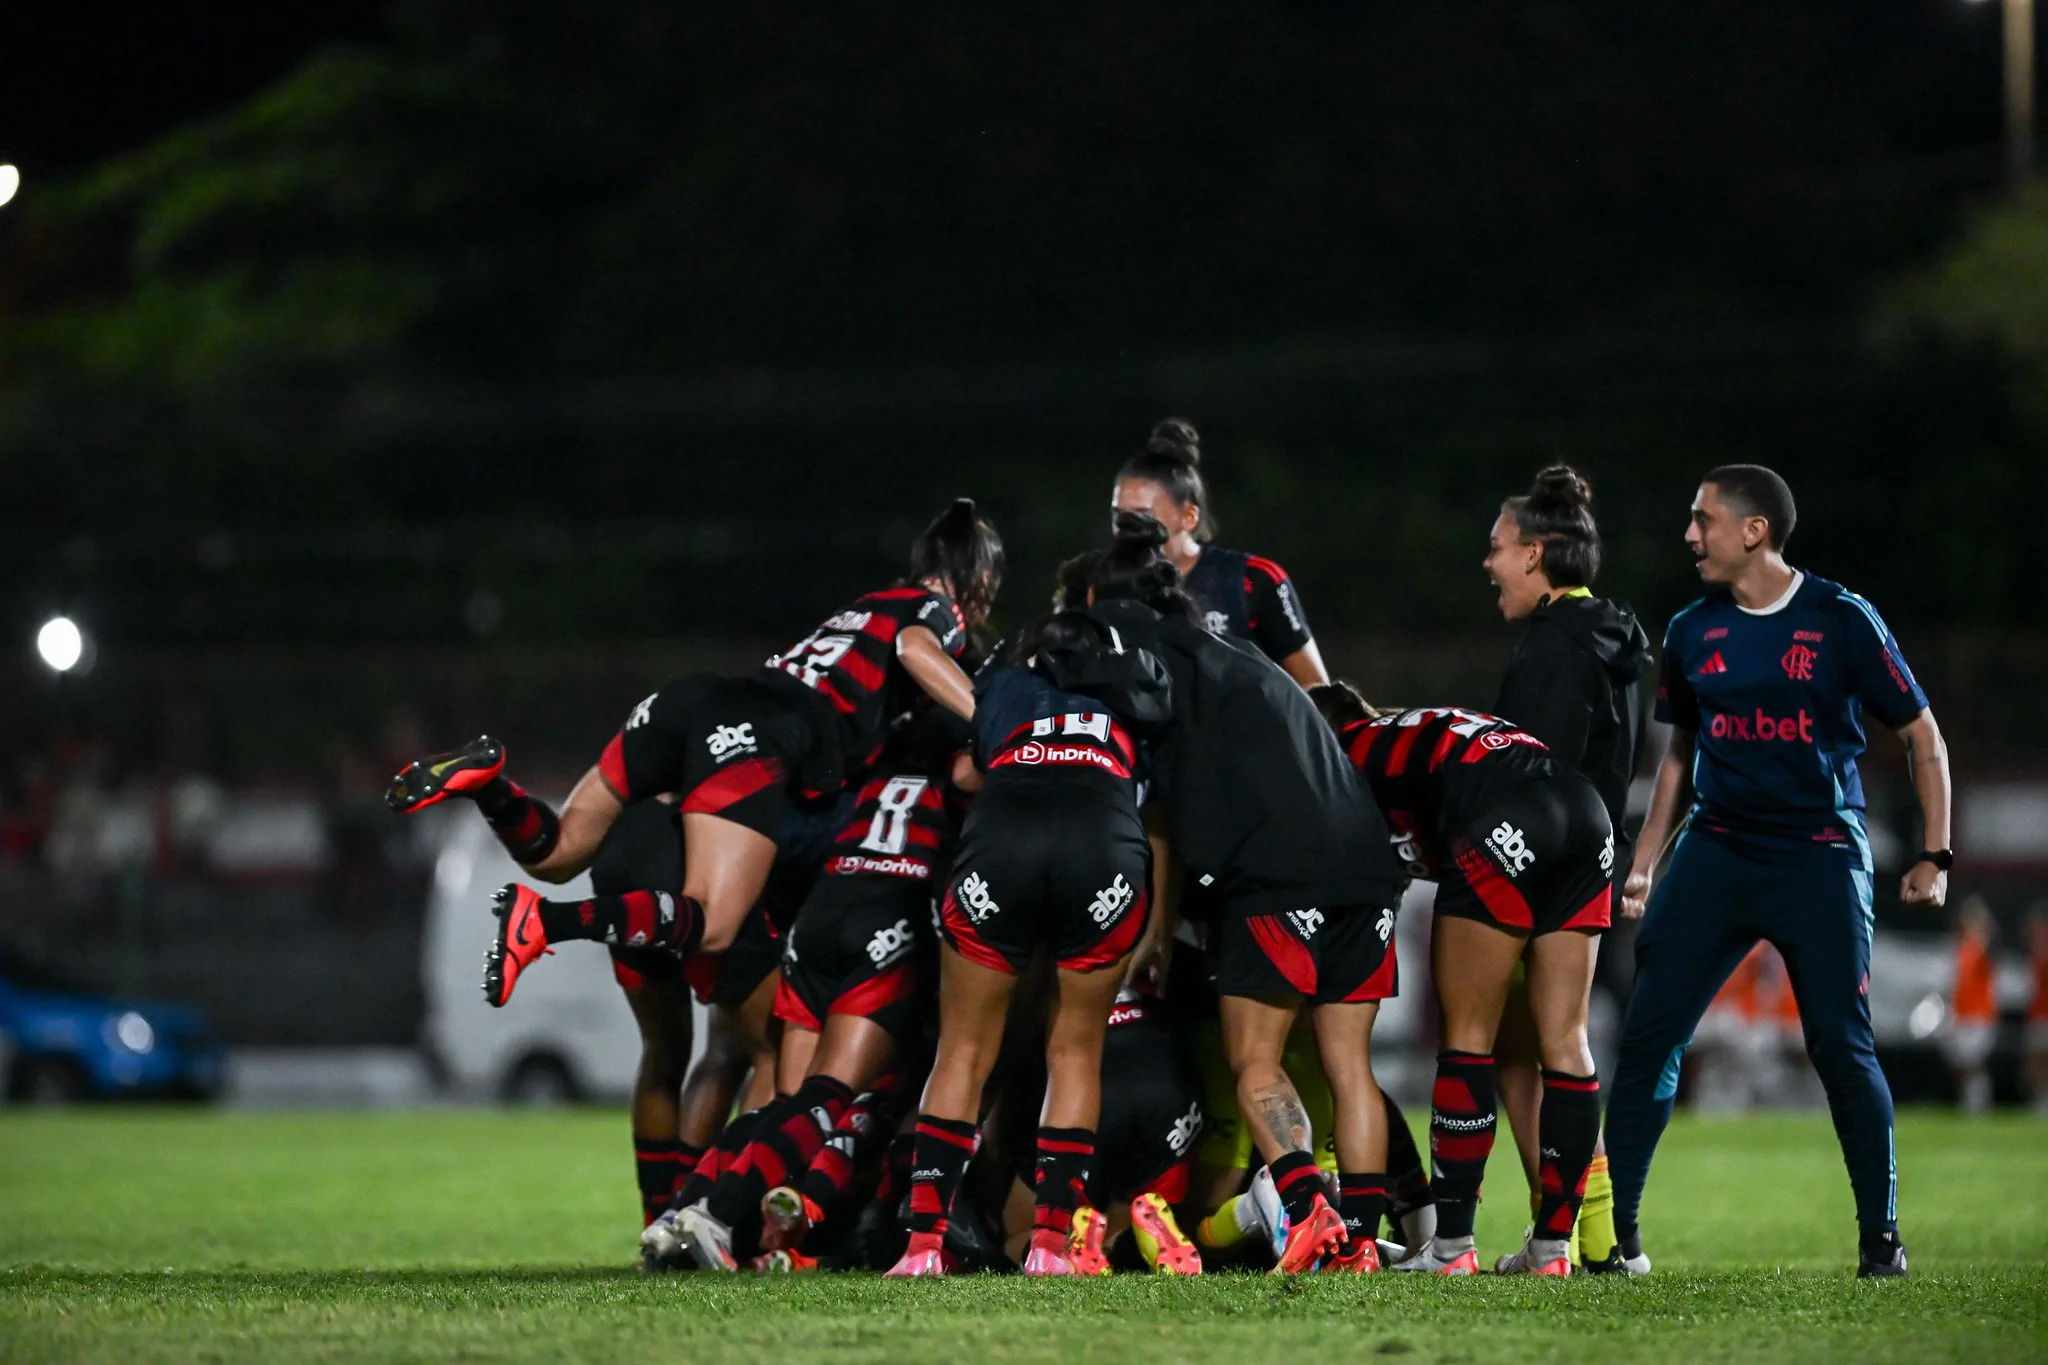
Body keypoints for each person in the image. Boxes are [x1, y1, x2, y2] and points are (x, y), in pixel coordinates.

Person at [382, 499, 999, 1005]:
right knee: (715, 923)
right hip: (757, 731)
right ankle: (547, 922)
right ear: (974, 583)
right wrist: (998, 722)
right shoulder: (930, 609)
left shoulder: (860, 610)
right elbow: (919, 651)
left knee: (558, 850)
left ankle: (489, 783)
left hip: (692, 700)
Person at [1609, 464, 1952, 1279]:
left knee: (1840, 1043)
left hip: (1818, 852)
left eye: (1704, 520)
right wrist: (1644, 863)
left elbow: (1922, 733)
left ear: (1754, 529)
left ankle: (1881, 1239)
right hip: (1718, 849)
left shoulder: (1841, 619)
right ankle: (1614, 1240)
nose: (1690, 535)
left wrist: (1935, 853)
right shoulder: (1692, 628)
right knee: (1650, 1037)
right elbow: (1677, 755)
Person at [1089, 515, 1409, 1274]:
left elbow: (1162, 808)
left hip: (1278, 872)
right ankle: (1359, 1236)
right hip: (1367, 867)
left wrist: (1161, 924)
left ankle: (1304, 1212)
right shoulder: (1245, 655)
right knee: (1348, 1065)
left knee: (1253, 1056)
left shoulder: (1154, 663)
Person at [887, 610, 1172, 1277]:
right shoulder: (1131, 689)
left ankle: (923, 1246)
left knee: (963, 1048)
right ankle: (1050, 1244)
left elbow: (965, 773)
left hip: (1006, 830)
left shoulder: (1007, 684)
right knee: (1075, 1049)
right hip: (1102, 839)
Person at [1313, 686, 1614, 1276]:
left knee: (1469, 1037)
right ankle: (1553, 1248)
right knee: (1567, 1040)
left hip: (1505, 814)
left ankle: (1451, 1248)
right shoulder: (1410, 732)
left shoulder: (1346, 754)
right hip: (1585, 809)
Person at [649, 718, 969, 1270]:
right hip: (886, 914)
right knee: (829, 1097)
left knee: (787, 1103)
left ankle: (677, 1214)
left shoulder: (872, 770)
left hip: (821, 911)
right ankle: (719, 1217)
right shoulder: (964, 777)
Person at [1481, 464, 1650, 1272]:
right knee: (1553, 1044)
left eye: (1499, 549)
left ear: (1537, 553)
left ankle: (1546, 1232)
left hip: (1535, 860)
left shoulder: (1551, 644)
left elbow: (1529, 769)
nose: (1489, 564)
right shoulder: (1613, 635)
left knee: (1502, 1043)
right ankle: (1595, 1235)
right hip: (1597, 856)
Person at [1112, 418, 1328, 687]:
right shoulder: (1103, 588)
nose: (1127, 529)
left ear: (1188, 517)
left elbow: (1316, 689)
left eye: (1143, 516)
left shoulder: (1250, 581)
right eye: (1119, 516)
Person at [1946, 897, 1999, 1115]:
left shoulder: (1982, 949)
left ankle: (1979, 1104)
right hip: (1962, 1015)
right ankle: (1971, 1101)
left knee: (1972, 1064)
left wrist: (1983, 926)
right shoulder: (1962, 948)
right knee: (1963, 1066)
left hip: (1979, 1016)